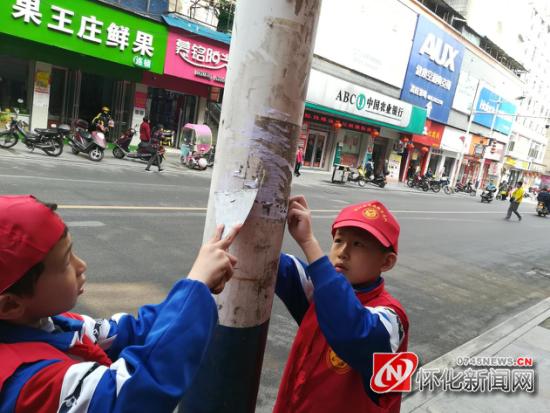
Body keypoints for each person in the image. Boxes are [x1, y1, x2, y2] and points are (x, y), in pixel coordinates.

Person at [0, 195, 240, 412]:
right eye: (65, 262)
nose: (81, 265)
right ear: (9, 306)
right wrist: (195, 287)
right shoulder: (27, 382)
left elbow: (130, 333)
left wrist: (194, 289)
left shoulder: (52, 324)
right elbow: (132, 395)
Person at [273, 196, 409, 412]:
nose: (343, 252)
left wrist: (309, 243)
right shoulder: (319, 287)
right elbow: (273, 263)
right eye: (338, 240)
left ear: (386, 262)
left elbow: (353, 330)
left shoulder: (393, 318)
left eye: (358, 244)